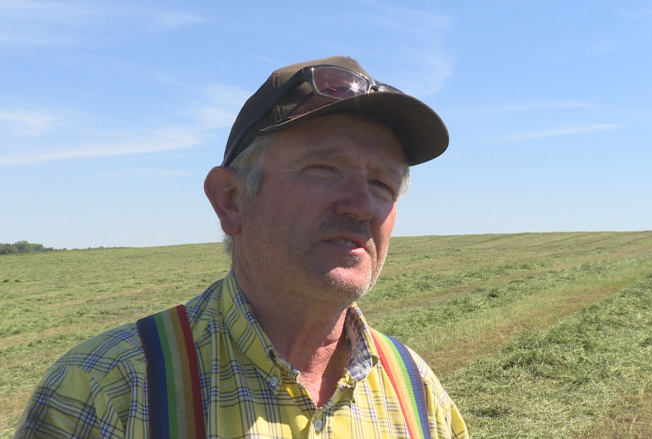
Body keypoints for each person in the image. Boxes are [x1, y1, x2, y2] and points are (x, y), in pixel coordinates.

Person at [15, 56, 468, 439]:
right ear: (231, 200)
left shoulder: (417, 393)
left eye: (382, 184)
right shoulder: (108, 392)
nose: (361, 206)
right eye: (323, 168)